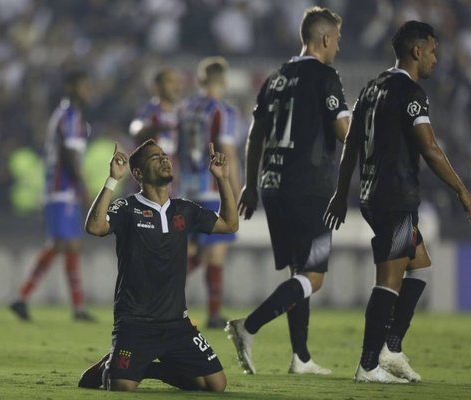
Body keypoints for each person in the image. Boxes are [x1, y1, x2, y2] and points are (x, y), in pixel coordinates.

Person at [324, 21, 471, 383]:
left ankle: (390, 349)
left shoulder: (372, 88)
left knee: (420, 266)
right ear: (417, 50)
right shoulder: (411, 92)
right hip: (395, 194)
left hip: (373, 194)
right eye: (434, 51)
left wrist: (341, 193)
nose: (437, 59)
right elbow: (430, 148)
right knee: (390, 279)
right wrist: (462, 189)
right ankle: (368, 364)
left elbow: (351, 147)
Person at [225, 6, 350, 376]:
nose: (339, 48)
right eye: (338, 40)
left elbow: (255, 134)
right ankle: (248, 326)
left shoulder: (276, 76)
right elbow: (344, 130)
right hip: (311, 187)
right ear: (325, 38)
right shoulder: (326, 76)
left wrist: (249, 183)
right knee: (313, 277)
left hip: (273, 185)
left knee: (298, 274)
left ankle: (301, 358)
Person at [79, 139, 237, 392]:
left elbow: (230, 224)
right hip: (135, 323)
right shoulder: (128, 208)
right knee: (121, 387)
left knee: (215, 385)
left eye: (164, 155)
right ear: (138, 173)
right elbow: (95, 227)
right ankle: (112, 366)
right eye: (155, 158)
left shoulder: (184, 209)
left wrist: (222, 179)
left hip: (176, 324)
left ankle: (147, 368)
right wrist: (112, 180)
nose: (164, 159)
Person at [10, 69, 95, 322]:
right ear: (70, 87)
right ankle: (25, 298)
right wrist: (84, 188)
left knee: (66, 245)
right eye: (83, 86)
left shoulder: (73, 116)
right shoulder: (68, 116)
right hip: (61, 189)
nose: (88, 91)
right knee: (64, 244)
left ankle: (31, 299)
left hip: (63, 190)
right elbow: (69, 156)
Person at [177, 56, 241, 328]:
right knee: (214, 254)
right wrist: (236, 192)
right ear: (223, 81)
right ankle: (214, 313)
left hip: (187, 188)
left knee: (188, 252)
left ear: (201, 80)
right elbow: (228, 153)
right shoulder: (222, 111)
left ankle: (158, 300)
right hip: (213, 189)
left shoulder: (186, 108)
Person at [129, 67, 183, 195]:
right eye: (169, 82)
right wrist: (160, 127)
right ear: (157, 87)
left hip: (173, 182)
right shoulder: (149, 111)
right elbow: (136, 130)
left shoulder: (180, 114)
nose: (175, 86)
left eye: (177, 82)